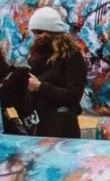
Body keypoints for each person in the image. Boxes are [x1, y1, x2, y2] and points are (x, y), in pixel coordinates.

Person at [0, 7, 87, 138]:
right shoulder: (36, 55)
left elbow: (74, 95)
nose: (36, 37)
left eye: (40, 32)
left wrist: (41, 87)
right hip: (38, 127)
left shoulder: (73, 57)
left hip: (61, 129)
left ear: (53, 32)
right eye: (34, 33)